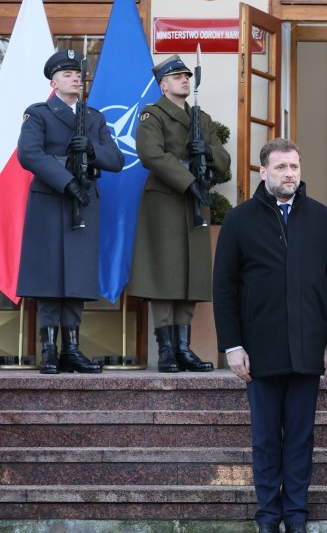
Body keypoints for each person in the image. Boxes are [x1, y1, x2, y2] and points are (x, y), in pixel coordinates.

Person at [213, 138, 327, 533]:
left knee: (301, 440)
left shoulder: (322, 218)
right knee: (266, 440)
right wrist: (233, 345)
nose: (289, 174)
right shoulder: (240, 220)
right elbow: (224, 288)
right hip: (259, 351)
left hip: (309, 350)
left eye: (294, 167)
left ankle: (297, 516)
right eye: (281, 168)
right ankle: (268, 517)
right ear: (263, 172)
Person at [16, 49, 124, 374]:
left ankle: (71, 350)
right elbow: (29, 155)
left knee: (77, 275)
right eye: (67, 74)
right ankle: (49, 350)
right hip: (51, 199)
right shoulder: (38, 114)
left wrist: (91, 150)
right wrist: (66, 180)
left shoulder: (94, 118)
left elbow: (116, 160)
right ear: (53, 82)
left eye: (77, 73)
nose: (75, 78)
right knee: (49, 274)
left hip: (83, 202)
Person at [129, 54, 231, 372]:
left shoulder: (203, 119)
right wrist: (188, 182)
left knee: (191, 273)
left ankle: (184, 348)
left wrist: (208, 152)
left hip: (195, 200)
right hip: (167, 200)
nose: (184, 80)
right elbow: (150, 154)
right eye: (177, 77)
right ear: (163, 85)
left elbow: (224, 161)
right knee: (165, 274)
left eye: (187, 76)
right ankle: (167, 350)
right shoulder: (153, 115)